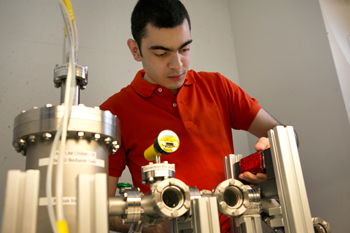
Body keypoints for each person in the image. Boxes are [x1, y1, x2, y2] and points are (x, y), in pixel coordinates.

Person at [100, 0, 288, 232]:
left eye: (184, 49)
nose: (177, 64)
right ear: (135, 50)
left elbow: (287, 136)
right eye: (161, 53)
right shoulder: (113, 114)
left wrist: (271, 153)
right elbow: (101, 208)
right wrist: (154, 228)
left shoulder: (218, 86)